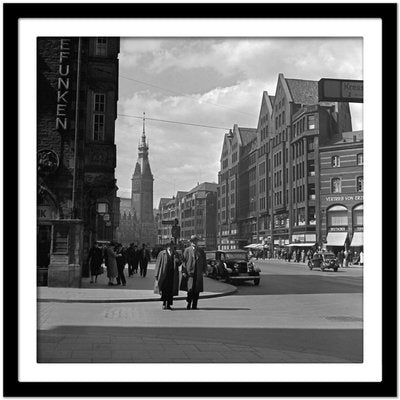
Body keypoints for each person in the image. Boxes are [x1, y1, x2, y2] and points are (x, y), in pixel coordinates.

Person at [180, 235, 207, 310]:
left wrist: (205, 270)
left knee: (197, 290)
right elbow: (183, 261)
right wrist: (184, 271)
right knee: (190, 289)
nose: (194, 242)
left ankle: (194, 305)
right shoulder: (187, 250)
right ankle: (189, 302)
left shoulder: (201, 251)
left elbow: (204, 261)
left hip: (198, 273)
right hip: (190, 273)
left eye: (195, 241)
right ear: (190, 242)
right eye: (193, 241)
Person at [154, 242, 181, 310]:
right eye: (168, 245)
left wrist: (178, 261)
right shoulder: (162, 253)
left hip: (172, 274)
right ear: (166, 246)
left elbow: (180, 263)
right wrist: (156, 274)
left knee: (171, 289)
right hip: (164, 274)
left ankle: (169, 304)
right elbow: (158, 264)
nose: (170, 247)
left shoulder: (176, 253)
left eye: (171, 245)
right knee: (164, 289)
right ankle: (164, 303)